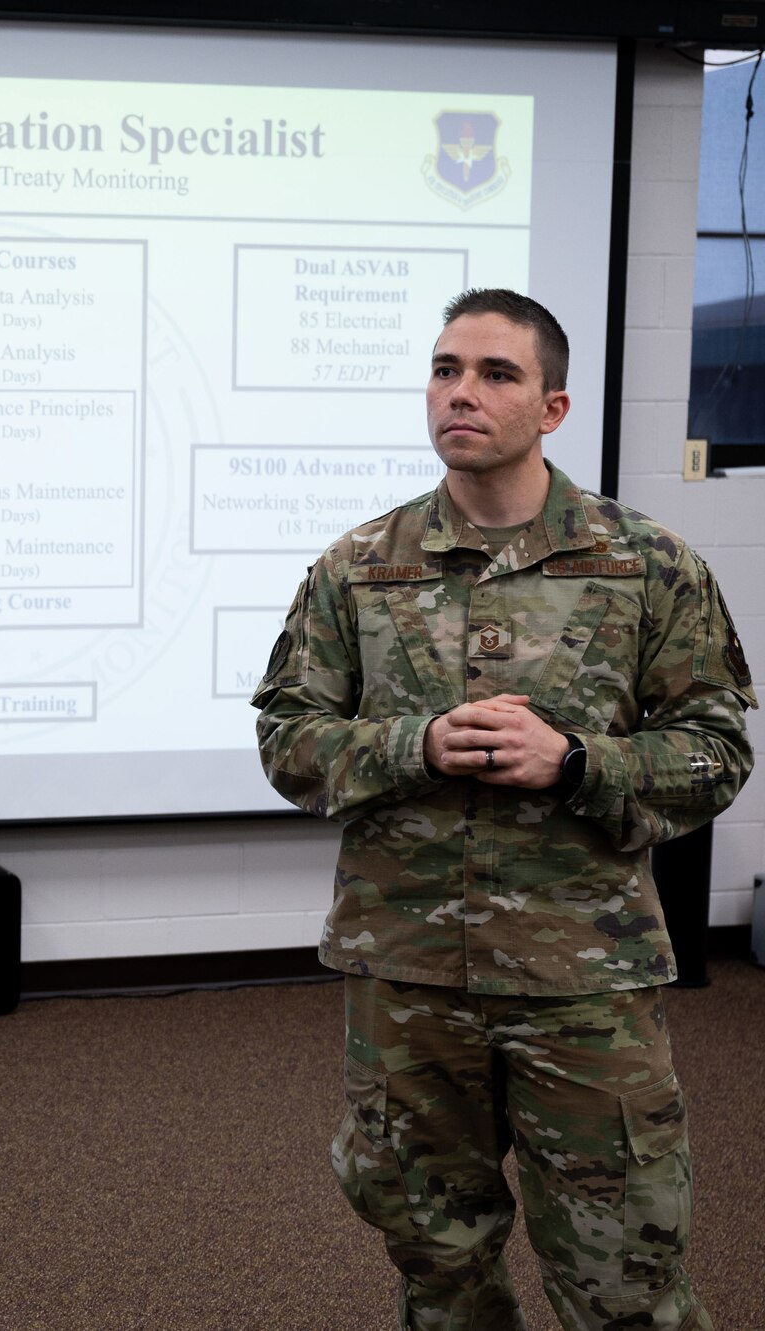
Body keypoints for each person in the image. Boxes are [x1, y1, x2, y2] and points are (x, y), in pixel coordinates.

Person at [253, 288, 754, 1330]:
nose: (459, 394)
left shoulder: (643, 564)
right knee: (437, 1267)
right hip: (406, 981)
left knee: (625, 1279)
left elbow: (714, 752)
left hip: (580, 978)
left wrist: (576, 761)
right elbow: (286, 743)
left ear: (553, 406)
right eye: (443, 370)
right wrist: (413, 744)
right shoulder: (358, 567)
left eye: (493, 374)